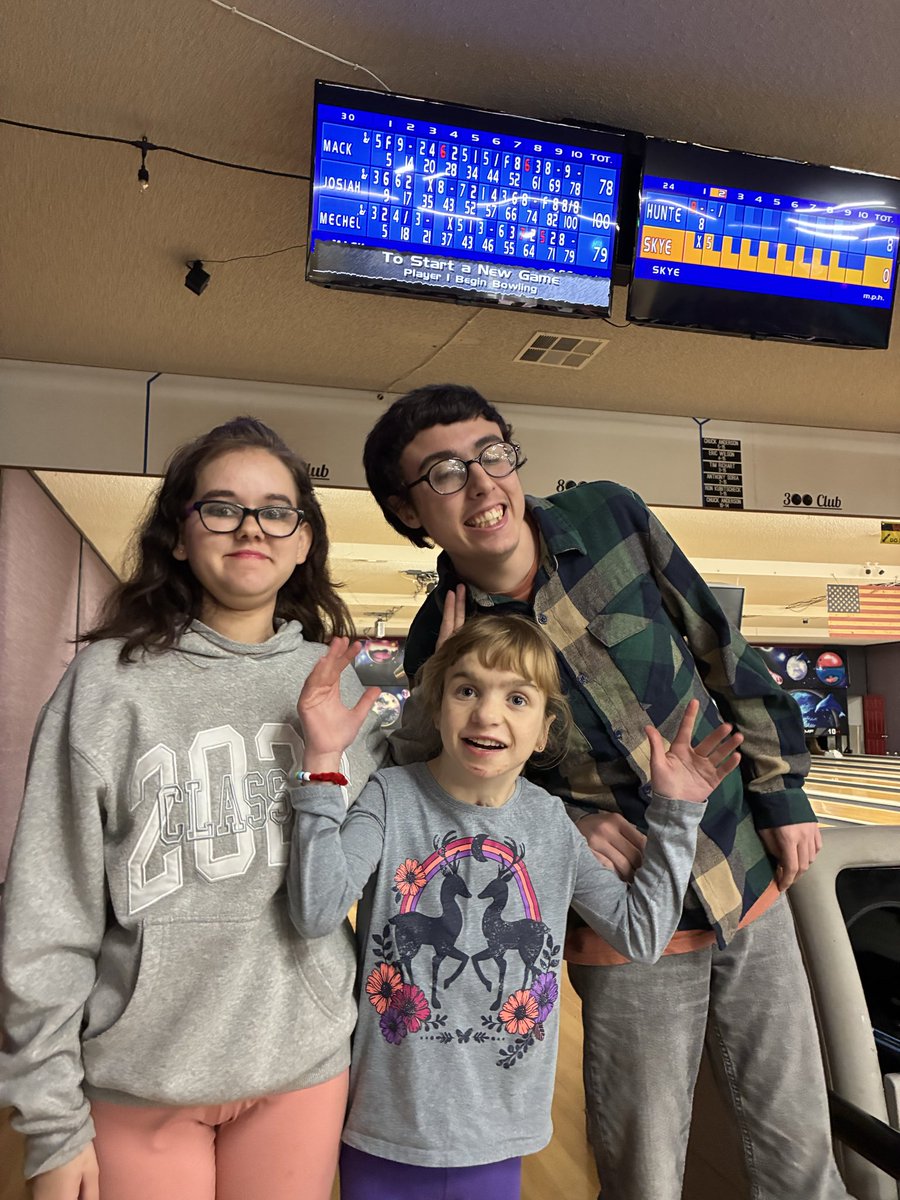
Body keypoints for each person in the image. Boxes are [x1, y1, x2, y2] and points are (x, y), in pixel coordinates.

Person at [362, 384, 852, 1200]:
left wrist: (782, 792)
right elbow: (460, 796)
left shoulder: (609, 517)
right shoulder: (435, 640)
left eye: (491, 454)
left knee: (799, 1155)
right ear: (407, 510)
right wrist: (563, 821)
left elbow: (720, 648)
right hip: (624, 920)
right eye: (445, 473)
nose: (483, 486)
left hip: (741, 870)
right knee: (644, 1174)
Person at [0, 417, 385, 1200]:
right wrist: (51, 1125)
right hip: (141, 1074)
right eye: (221, 507)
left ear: (304, 540)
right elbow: (49, 909)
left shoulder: (343, 682)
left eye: (278, 510)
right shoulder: (109, 683)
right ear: (179, 535)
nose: (252, 527)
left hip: (299, 1064)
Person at [288, 613, 741, 1200]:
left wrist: (676, 818)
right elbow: (316, 911)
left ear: (544, 730)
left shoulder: (551, 823)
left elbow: (642, 936)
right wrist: (322, 766)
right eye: (467, 689)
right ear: (439, 704)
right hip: (385, 1122)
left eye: (517, 698)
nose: (487, 713)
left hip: (500, 1127)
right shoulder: (390, 796)